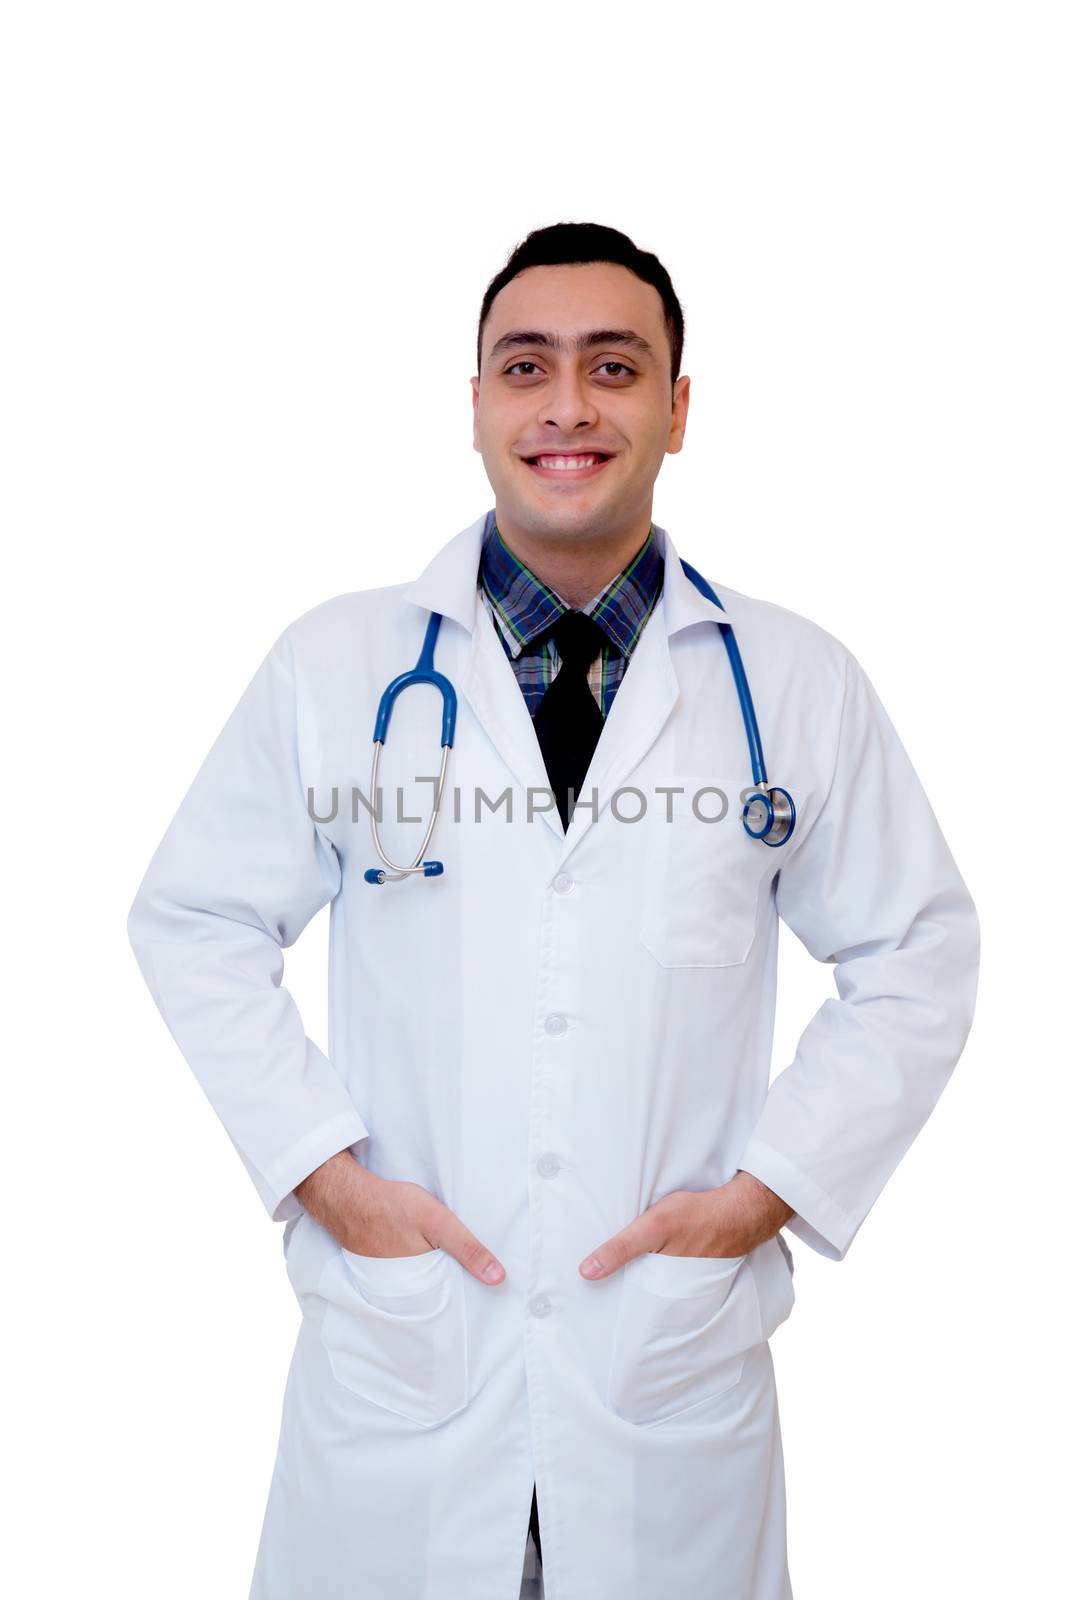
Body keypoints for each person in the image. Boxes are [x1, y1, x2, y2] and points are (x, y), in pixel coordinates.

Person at [127, 221, 980, 1599]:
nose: (569, 405)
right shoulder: (336, 665)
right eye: (527, 367)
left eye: (616, 366)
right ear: (475, 406)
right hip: (410, 1355)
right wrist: (326, 1177)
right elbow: (196, 920)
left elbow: (917, 953)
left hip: (662, 1368)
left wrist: (762, 1198)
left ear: (678, 409)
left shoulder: (794, 682)